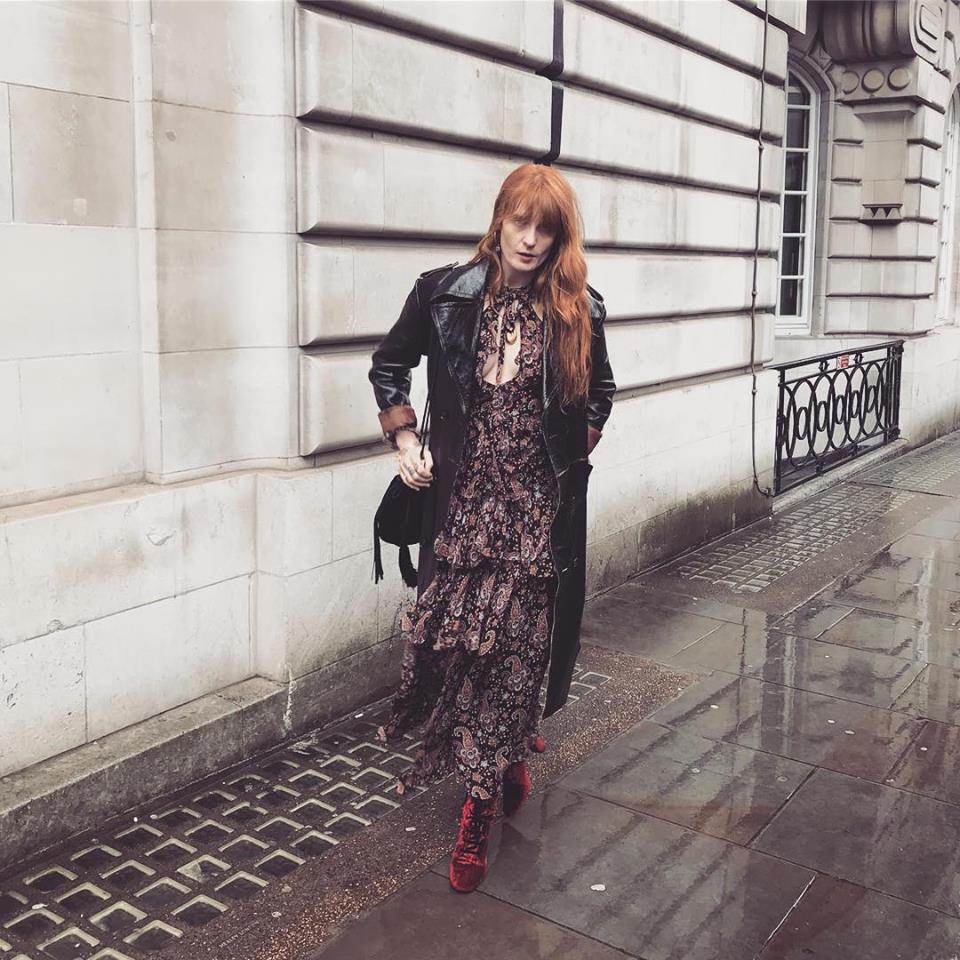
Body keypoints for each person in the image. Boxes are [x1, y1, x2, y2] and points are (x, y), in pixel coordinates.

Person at [368, 163, 615, 893]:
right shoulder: (443, 293)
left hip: (536, 516)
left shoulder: (578, 309)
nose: (530, 239)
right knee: (456, 653)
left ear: (560, 238)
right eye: (520, 222)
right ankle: (502, 761)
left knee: (512, 656)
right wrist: (407, 441)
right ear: (499, 220)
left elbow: (600, 394)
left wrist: (570, 459)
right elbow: (389, 365)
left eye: (546, 229)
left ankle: (476, 810)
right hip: (463, 509)